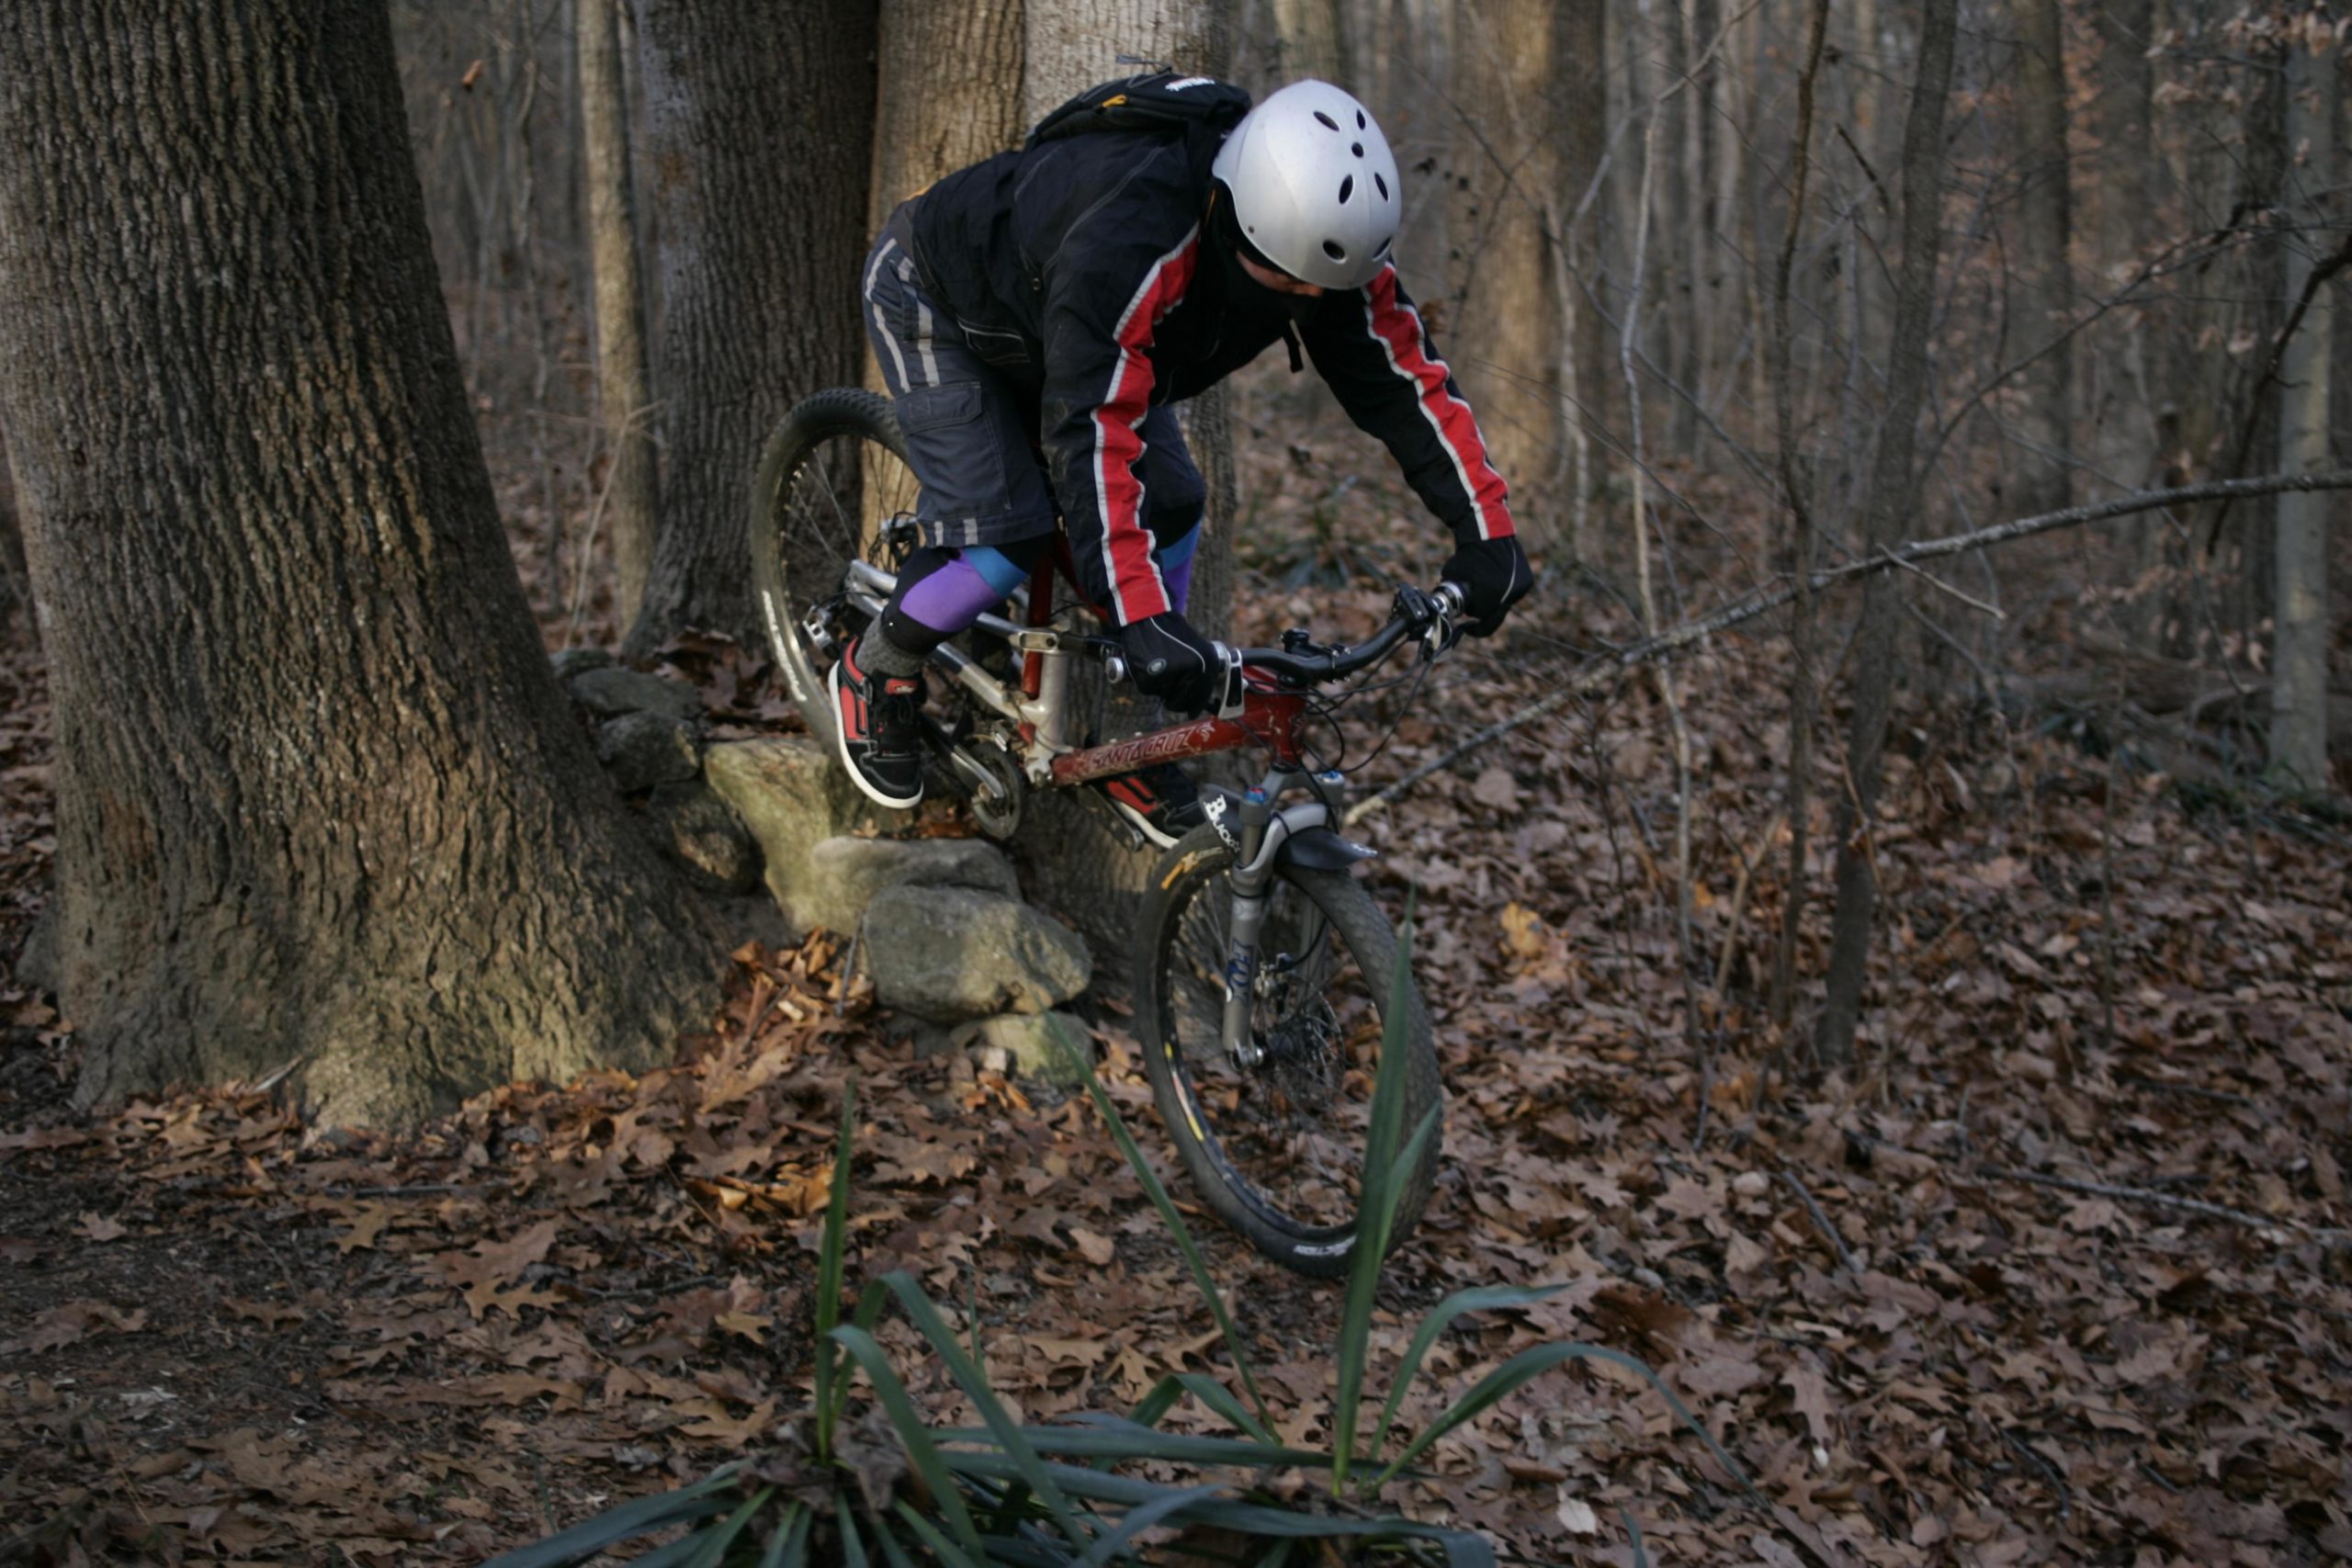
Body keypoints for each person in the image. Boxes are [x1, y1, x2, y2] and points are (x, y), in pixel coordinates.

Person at [835, 75, 1532, 845]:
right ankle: (875, 666)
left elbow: (1409, 384)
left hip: (1066, 339)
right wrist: (1139, 614)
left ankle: (1129, 744)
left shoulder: (1327, 266)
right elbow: (1092, 430)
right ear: (1235, 219)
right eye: (1286, 282)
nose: (1302, 301)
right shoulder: (1134, 240)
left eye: (1320, 289)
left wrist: (1486, 531)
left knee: (1170, 506)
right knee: (1003, 541)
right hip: (937, 296)